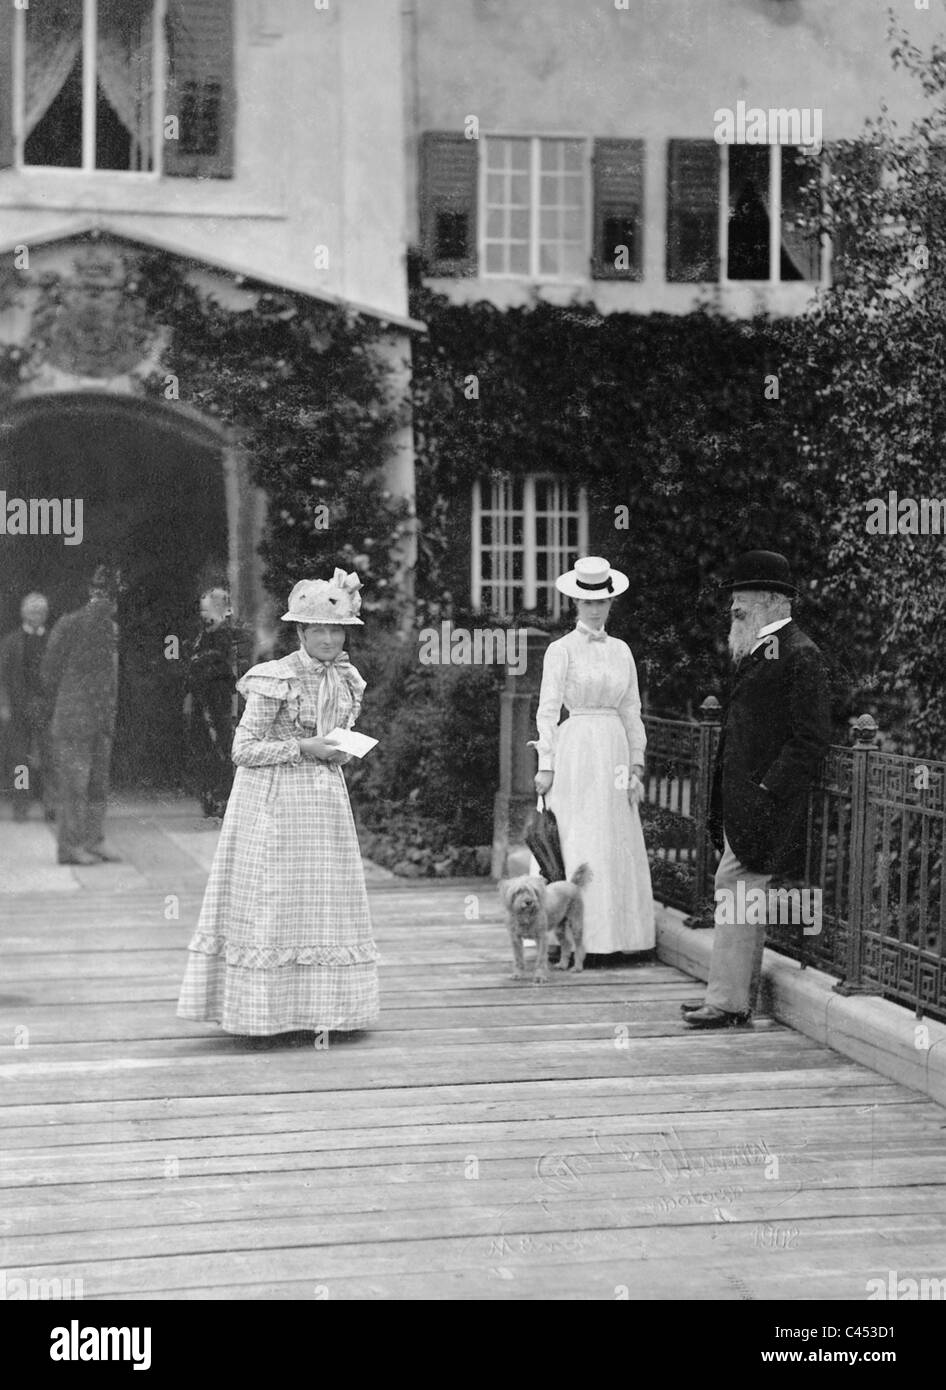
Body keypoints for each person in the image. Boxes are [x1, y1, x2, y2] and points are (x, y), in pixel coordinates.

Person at [177, 568, 379, 1037]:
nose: (328, 639)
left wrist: (342, 750)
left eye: (337, 630)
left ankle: (322, 1012)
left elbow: (340, 739)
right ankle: (265, 1013)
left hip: (324, 802)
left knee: (322, 901)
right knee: (277, 900)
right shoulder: (275, 678)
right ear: (301, 632)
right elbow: (242, 749)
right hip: (275, 803)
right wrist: (303, 748)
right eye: (319, 630)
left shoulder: (347, 679)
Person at [683, 550, 832, 1029]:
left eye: (739, 599)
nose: (732, 608)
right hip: (744, 803)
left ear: (770, 600)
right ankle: (732, 999)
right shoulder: (764, 647)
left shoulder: (801, 653)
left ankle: (726, 1001)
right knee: (737, 892)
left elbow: (810, 737)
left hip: (765, 805)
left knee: (734, 887)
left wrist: (769, 789)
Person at [531, 556, 655, 960]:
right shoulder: (560, 650)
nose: (596, 609)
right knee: (579, 833)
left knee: (615, 835)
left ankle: (618, 938)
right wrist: (546, 765)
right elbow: (548, 711)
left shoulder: (621, 651)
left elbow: (631, 709)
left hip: (615, 750)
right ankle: (571, 938)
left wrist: (637, 759)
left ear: (611, 603)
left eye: (602, 601)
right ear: (576, 604)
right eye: (588, 602)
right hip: (578, 748)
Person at [41, 566, 122, 866]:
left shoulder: (112, 629)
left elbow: (113, 675)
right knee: (74, 787)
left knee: (98, 785)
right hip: (74, 718)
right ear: (91, 593)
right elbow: (48, 672)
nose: (105, 600)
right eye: (100, 592)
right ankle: (70, 847)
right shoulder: (70, 624)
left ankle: (93, 840)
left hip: (102, 718)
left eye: (109, 595)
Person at [184, 586, 251, 819]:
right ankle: (213, 796)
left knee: (224, 746)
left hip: (223, 701)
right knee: (207, 748)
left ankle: (224, 796)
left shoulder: (228, 636)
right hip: (205, 700)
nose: (203, 615)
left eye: (208, 610)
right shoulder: (205, 634)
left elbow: (228, 667)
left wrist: (199, 662)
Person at [0, 592, 55, 822]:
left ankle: (51, 804)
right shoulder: (11, 642)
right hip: (18, 707)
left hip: (46, 708)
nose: (37, 615)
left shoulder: (54, 640)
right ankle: (21, 804)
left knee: (49, 757)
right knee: (19, 759)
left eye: (41, 612)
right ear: (24, 613)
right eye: (33, 611)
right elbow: (2, 676)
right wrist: (3, 705)